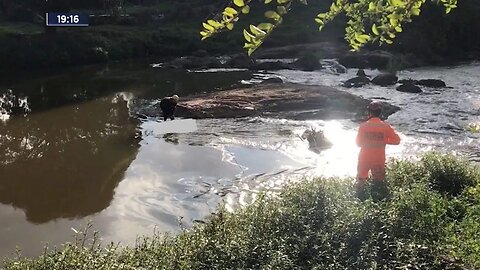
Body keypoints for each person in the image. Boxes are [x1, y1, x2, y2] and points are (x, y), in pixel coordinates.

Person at [355, 101, 400, 192]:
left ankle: (360, 200)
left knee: (360, 183)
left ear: (369, 112)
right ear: (379, 112)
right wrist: (384, 140)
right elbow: (397, 141)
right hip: (379, 159)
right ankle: (378, 201)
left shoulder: (363, 126)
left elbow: (358, 143)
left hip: (364, 158)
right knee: (379, 184)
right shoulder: (385, 127)